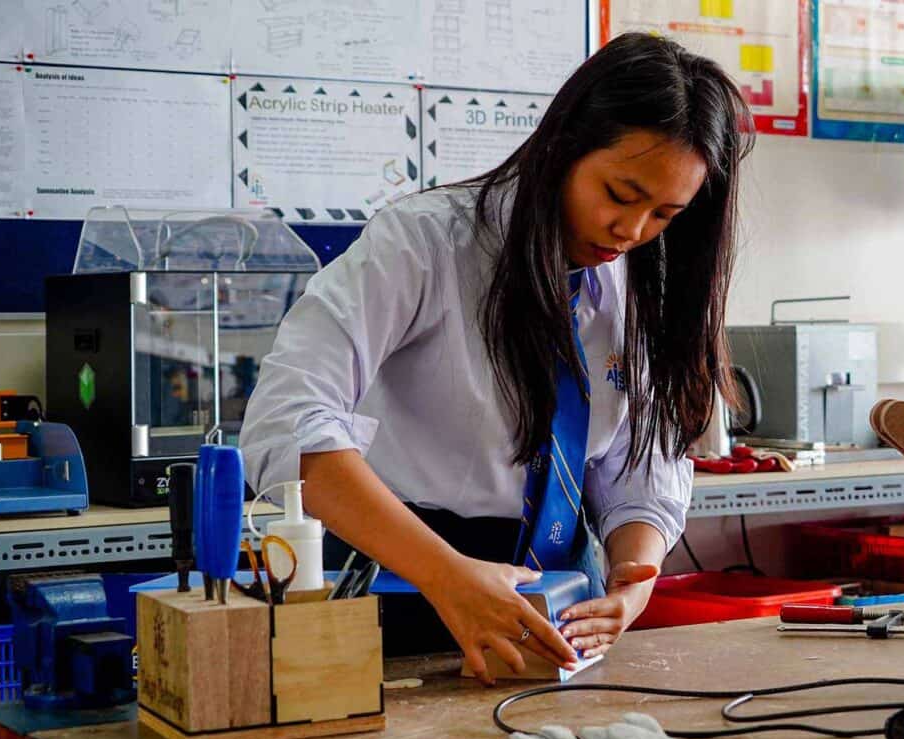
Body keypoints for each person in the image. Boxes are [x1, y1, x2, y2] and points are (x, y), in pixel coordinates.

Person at [240, 33, 753, 683]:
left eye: (664, 213)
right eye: (620, 194)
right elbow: (285, 422)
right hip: (407, 583)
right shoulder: (425, 242)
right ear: (564, 147)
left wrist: (635, 580)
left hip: (561, 606)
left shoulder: (639, 281)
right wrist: (444, 576)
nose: (633, 230)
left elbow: (641, 468)